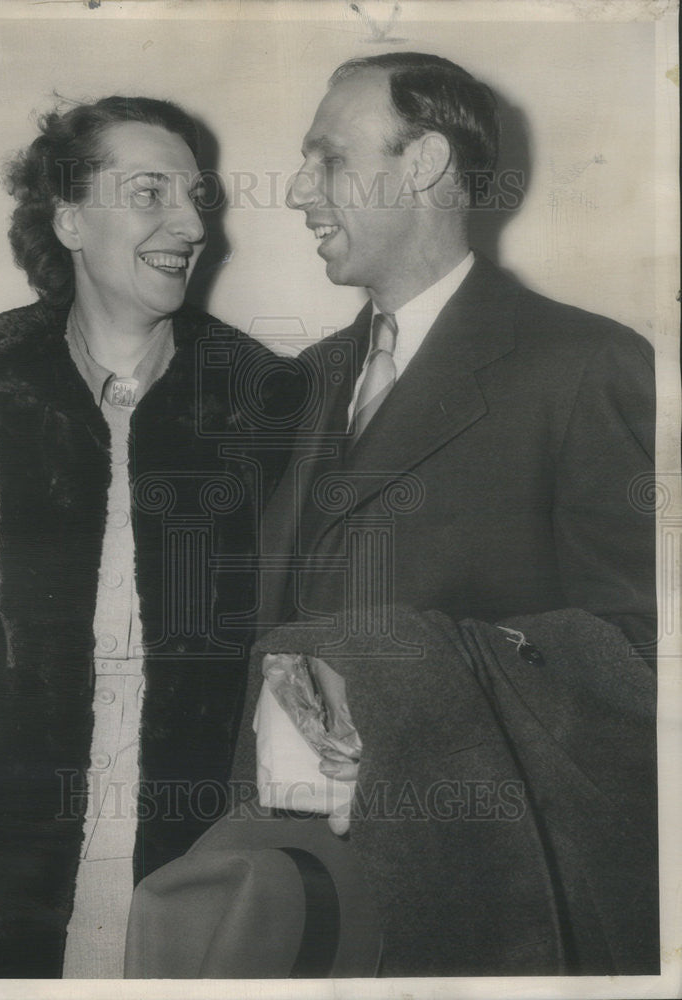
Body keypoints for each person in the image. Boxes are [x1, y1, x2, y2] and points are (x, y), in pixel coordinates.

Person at [233, 52, 657, 976]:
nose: (299, 189)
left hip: (478, 896)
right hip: (299, 892)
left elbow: (635, 657)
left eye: (329, 160)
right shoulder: (304, 384)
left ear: (422, 164)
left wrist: (397, 689)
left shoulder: (584, 364)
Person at [0, 95, 291, 979]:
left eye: (197, 197)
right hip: (0, 855)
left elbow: (280, 639)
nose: (189, 223)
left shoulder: (263, 395)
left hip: (196, 849)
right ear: (70, 218)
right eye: (151, 193)